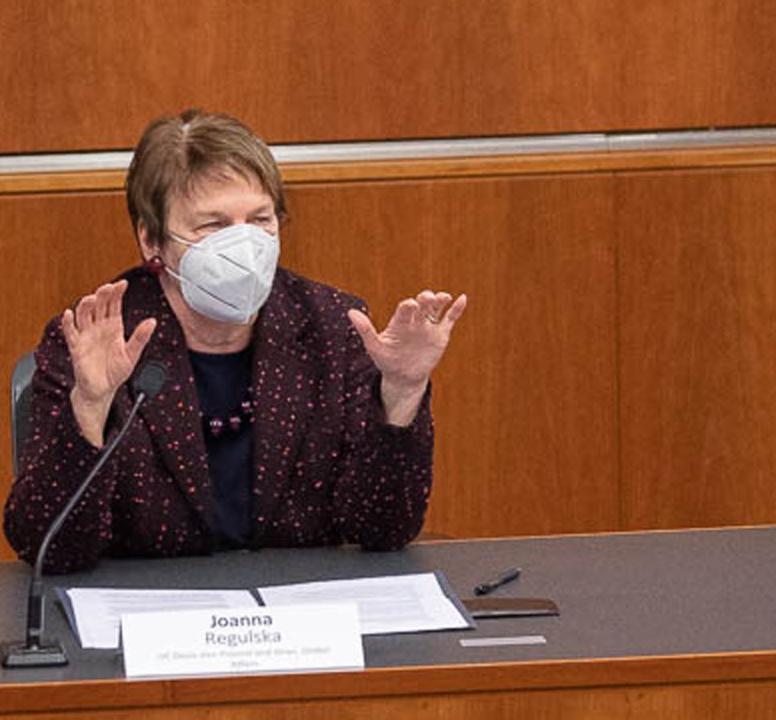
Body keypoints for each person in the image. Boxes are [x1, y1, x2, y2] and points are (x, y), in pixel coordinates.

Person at [4, 110, 466, 572]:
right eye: (213, 225)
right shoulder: (96, 340)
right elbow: (50, 549)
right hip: (147, 625)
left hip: (300, 618)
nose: (244, 244)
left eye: (260, 219)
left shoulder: (332, 328)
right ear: (152, 240)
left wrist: (402, 392)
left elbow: (382, 529)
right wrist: (90, 407)